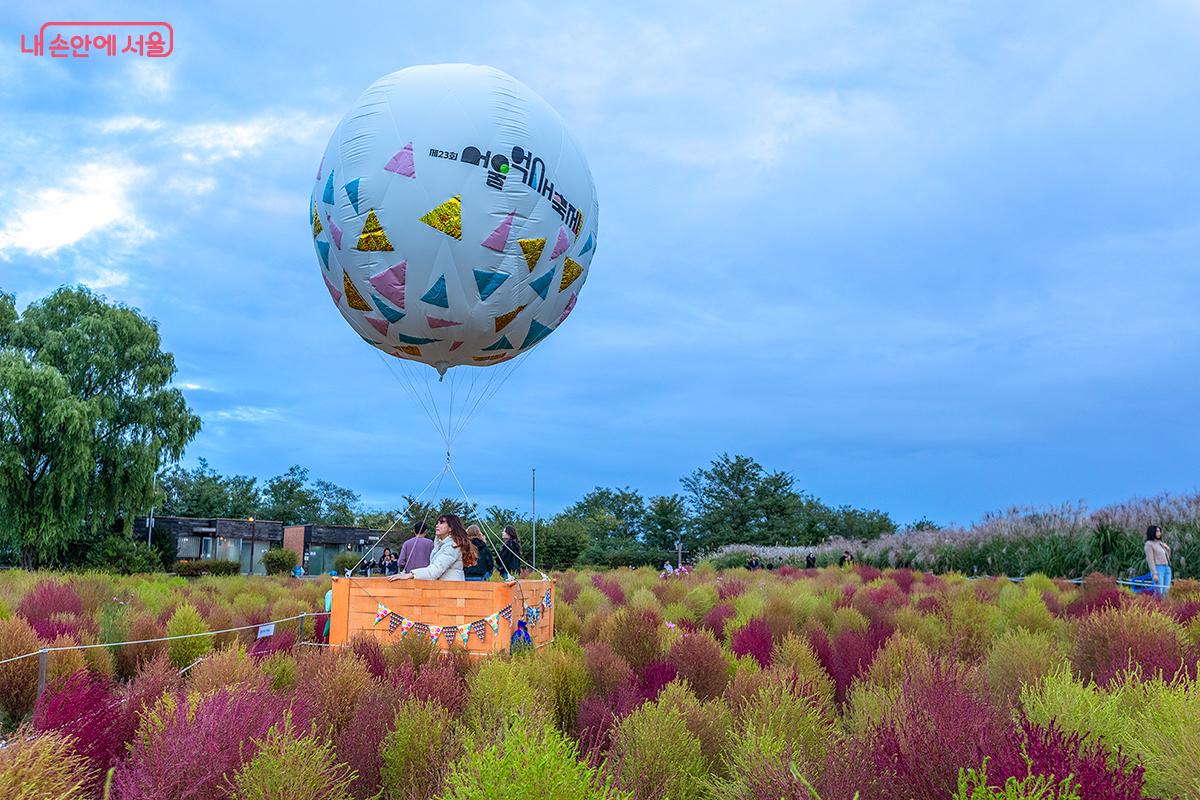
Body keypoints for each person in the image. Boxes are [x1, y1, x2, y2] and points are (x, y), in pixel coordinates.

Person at [389, 514, 477, 581]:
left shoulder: (452, 546)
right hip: (444, 589)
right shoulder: (439, 545)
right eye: (437, 523)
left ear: (451, 528)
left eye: (441, 523)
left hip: (450, 591)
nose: (437, 525)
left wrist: (410, 574)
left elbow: (435, 570)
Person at [1145, 524, 1172, 599]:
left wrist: (1168, 549)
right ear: (1152, 532)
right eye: (1157, 531)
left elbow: (1167, 557)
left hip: (1167, 568)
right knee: (1158, 591)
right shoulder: (1149, 544)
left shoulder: (1160, 543)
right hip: (1158, 568)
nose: (1159, 533)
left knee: (1166, 590)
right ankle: (1155, 607)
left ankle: (1164, 607)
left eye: (1160, 531)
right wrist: (1154, 573)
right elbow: (1150, 560)